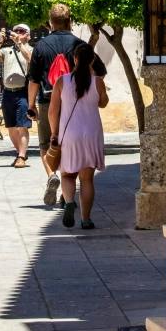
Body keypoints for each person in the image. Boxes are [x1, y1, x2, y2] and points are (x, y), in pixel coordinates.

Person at [27, 4, 84, 206]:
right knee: (71, 146)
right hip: (73, 104)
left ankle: (51, 174)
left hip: (47, 101)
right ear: (70, 21)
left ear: (50, 22)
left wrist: (31, 105)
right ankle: (67, 193)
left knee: (46, 144)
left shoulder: (41, 46)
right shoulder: (79, 44)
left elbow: (33, 79)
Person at [48, 39, 109, 229]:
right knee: (87, 179)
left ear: (74, 59)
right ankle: (86, 219)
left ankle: (69, 201)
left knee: (67, 175)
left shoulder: (62, 81)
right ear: (92, 60)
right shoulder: (98, 81)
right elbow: (103, 103)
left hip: (70, 134)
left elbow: (52, 111)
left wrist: (54, 133)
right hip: (91, 133)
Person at [0, 22, 34, 167]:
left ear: (28, 35)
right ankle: (19, 154)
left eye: (22, 31)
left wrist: (19, 43)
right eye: (16, 31)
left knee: (22, 126)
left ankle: (22, 156)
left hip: (22, 92)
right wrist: (0, 41)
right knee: (11, 127)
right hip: (8, 93)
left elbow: (30, 59)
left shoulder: (31, 49)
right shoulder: (7, 51)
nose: (18, 33)